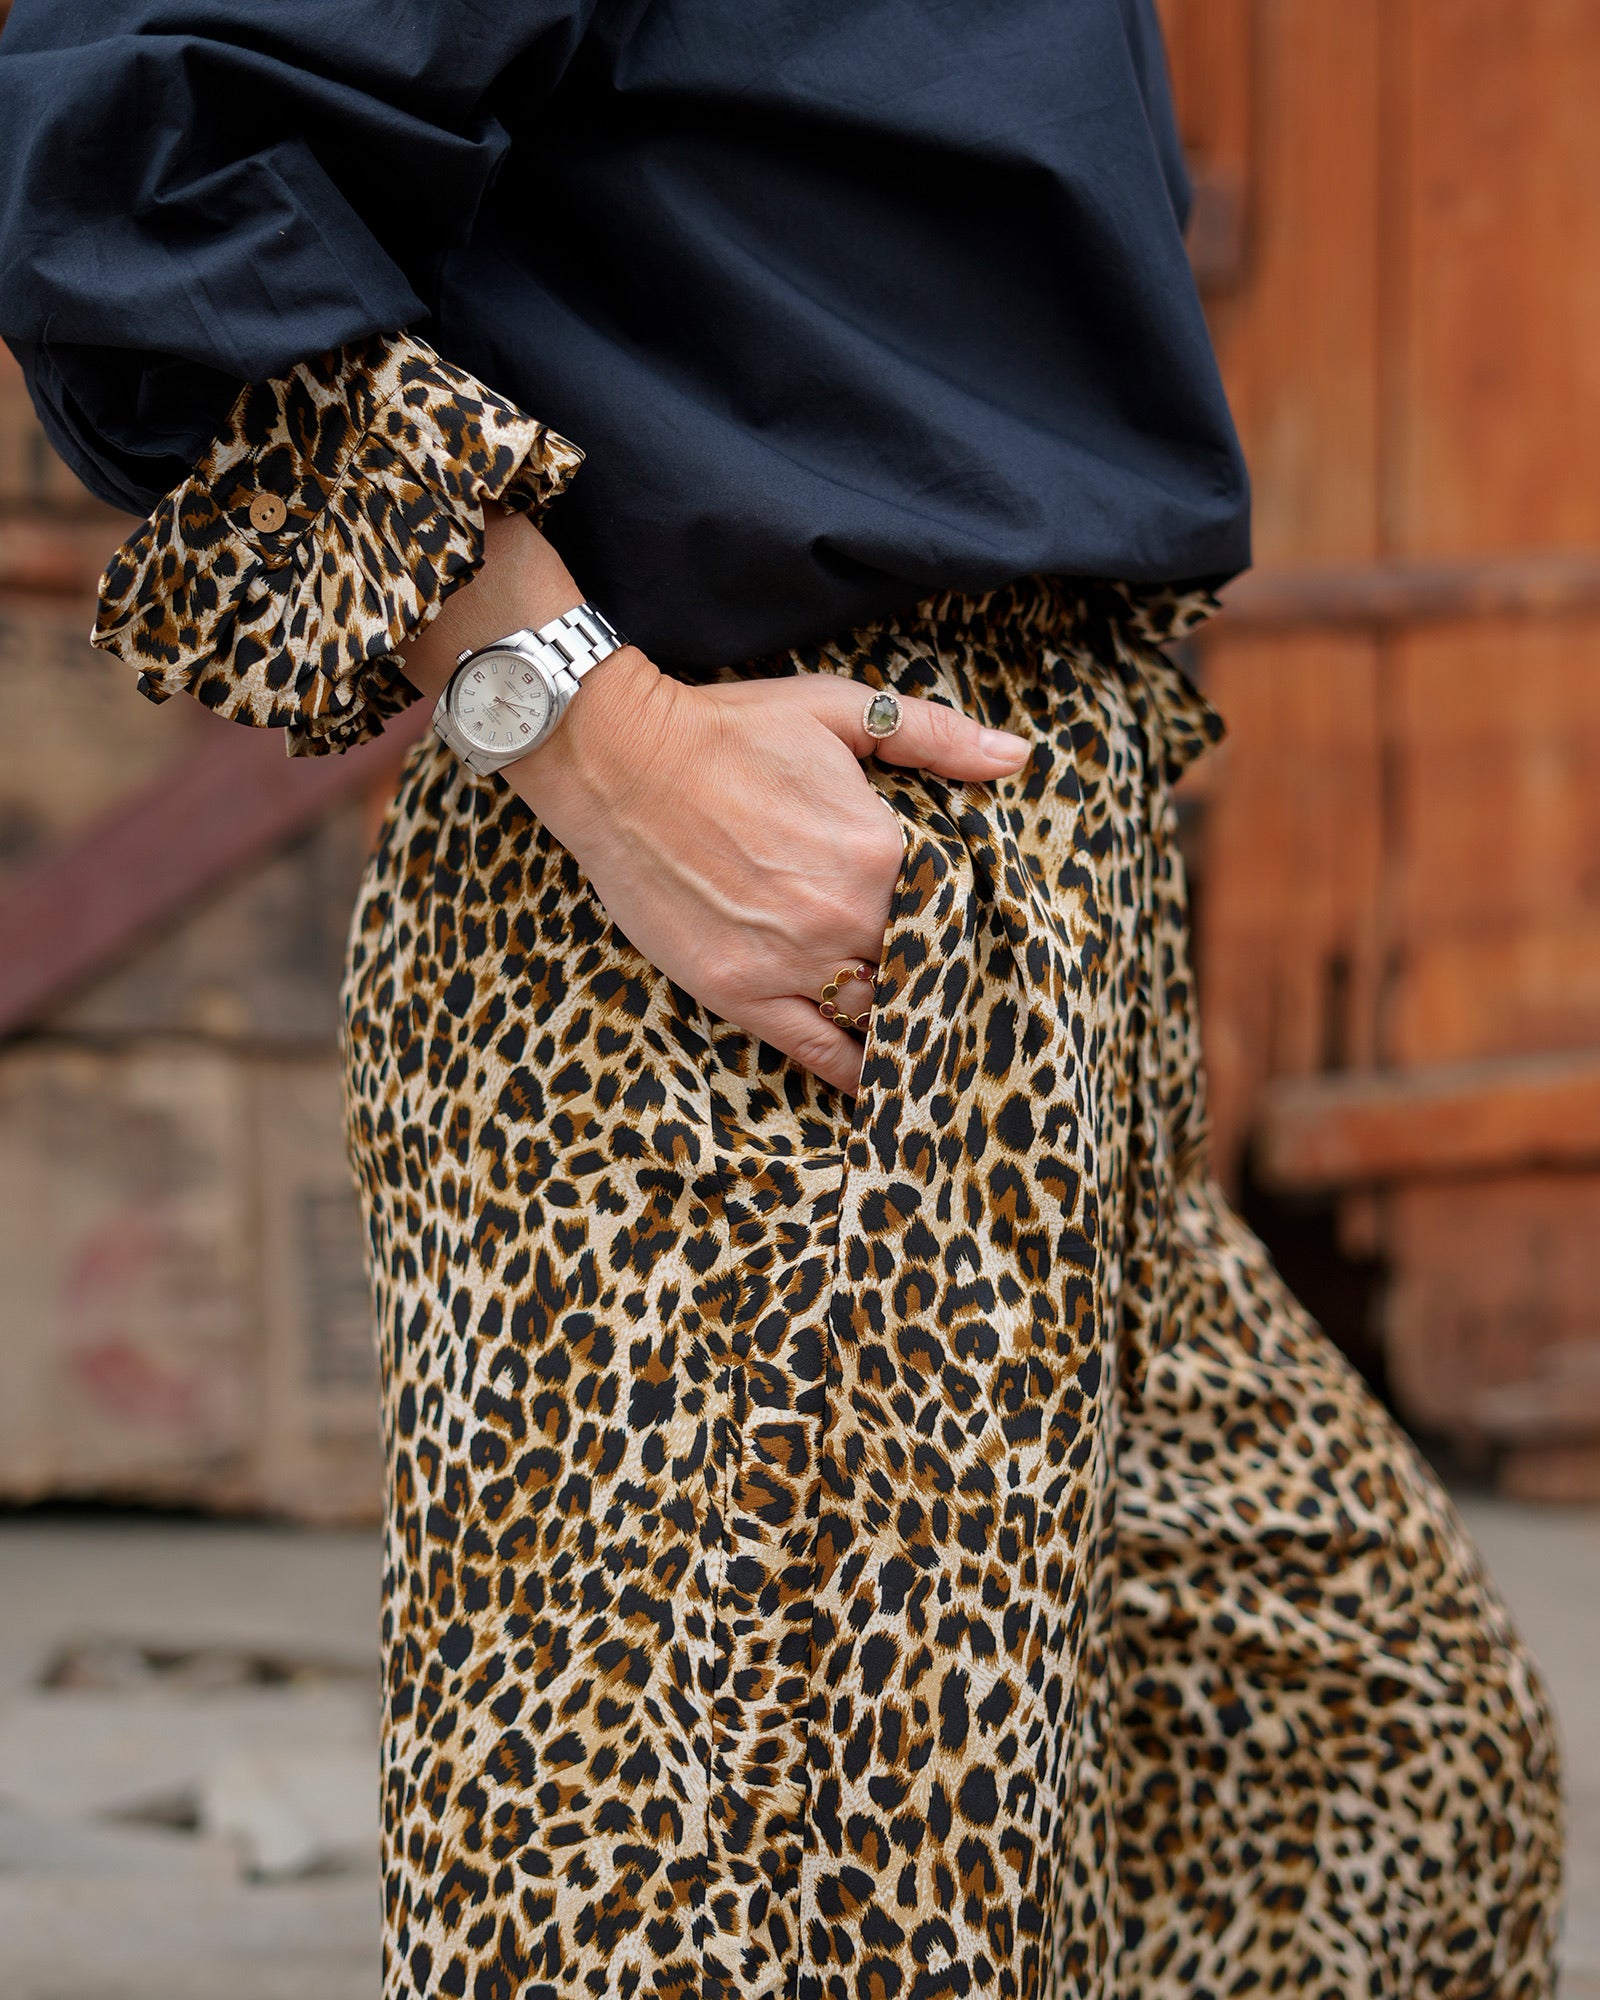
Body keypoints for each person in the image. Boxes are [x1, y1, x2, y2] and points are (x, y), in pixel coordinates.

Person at [0, 3, 1562, 1995]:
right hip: (755, 971)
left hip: (1031, 957)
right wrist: (586, 723)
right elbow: (133, 161)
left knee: (1375, 1766)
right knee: (780, 1924)